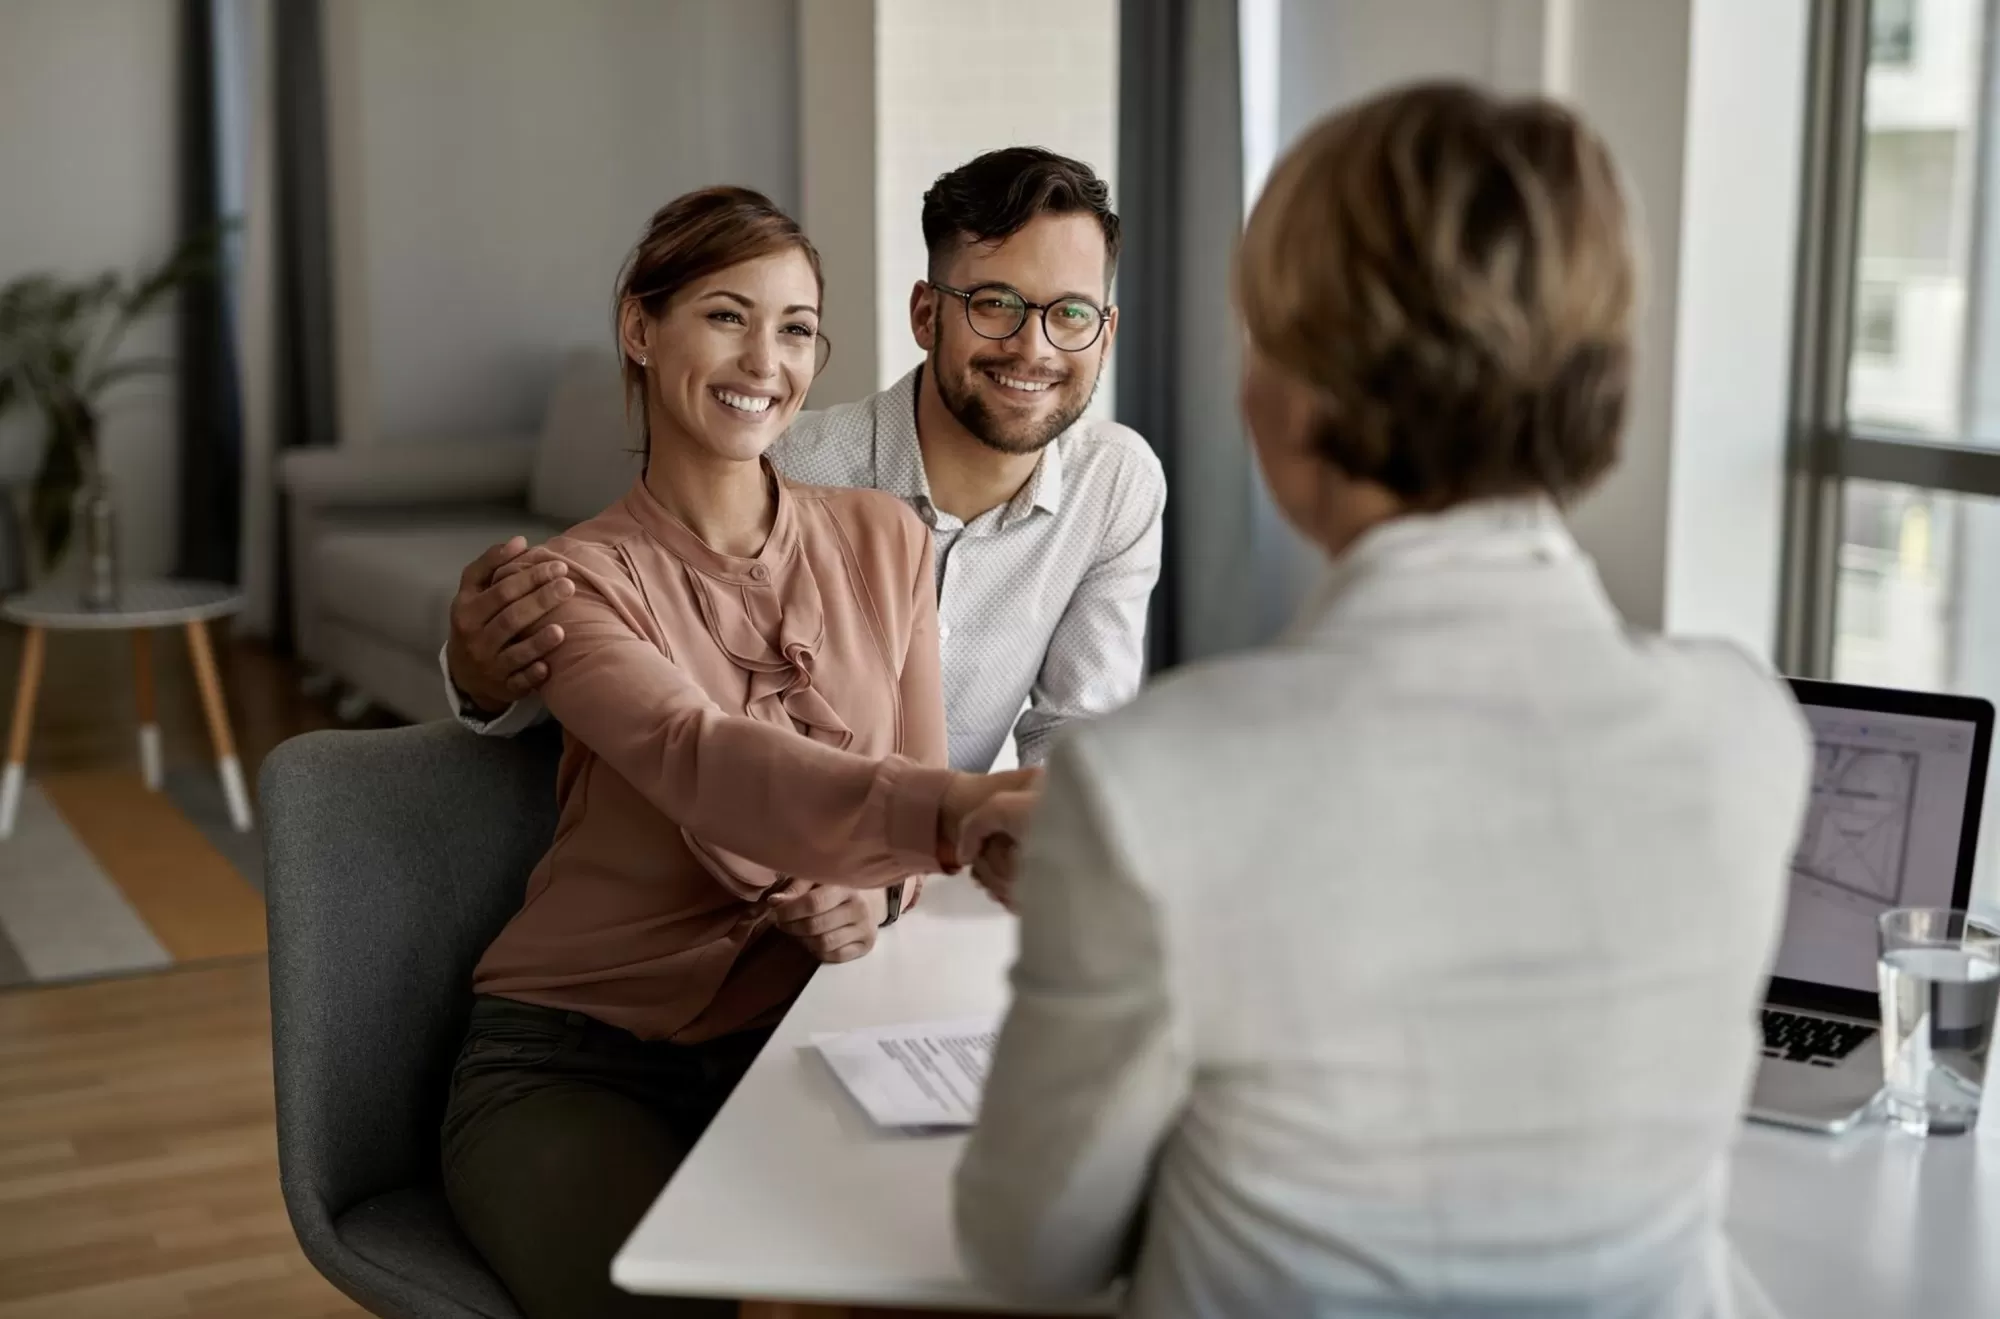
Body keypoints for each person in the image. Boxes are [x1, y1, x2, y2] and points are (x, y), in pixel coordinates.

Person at [950, 83, 1811, 1318]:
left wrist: (1116, 929)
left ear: (1291, 399)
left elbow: (1028, 1253)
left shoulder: (1155, 785)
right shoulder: (1746, 729)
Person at [439, 187, 1032, 1319]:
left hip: (801, 1038)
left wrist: (885, 899)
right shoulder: (573, 582)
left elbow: (903, 814)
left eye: (797, 326)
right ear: (638, 328)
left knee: (963, 1264)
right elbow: (693, 753)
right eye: (725, 314)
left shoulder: (886, 537)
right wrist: (958, 811)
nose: (766, 358)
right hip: (578, 1056)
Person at [442, 147, 1166, 779]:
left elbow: (1079, 735)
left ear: (1106, 334)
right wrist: (479, 675)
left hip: (934, 876)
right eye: (994, 303)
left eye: (1071, 313)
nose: (1034, 348)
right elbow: (630, 669)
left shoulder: (1115, 483)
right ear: (925, 315)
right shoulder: (781, 464)